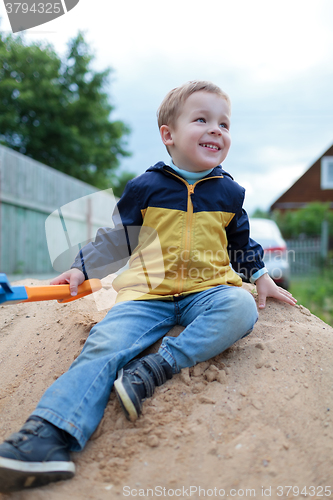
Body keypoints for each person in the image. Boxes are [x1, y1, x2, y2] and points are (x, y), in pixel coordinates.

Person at [0, 80, 297, 493]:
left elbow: (242, 244)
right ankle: (47, 435)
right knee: (104, 344)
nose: (216, 129)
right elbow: (115, 238)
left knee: (241, 309)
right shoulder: (146, 187)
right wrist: (80, 269)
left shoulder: (230, 193)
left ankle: (157, 366)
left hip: (207, 291)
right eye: (202, 119)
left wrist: (261, 277)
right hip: (147, 295)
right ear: (168, 135)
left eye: (224, 124)